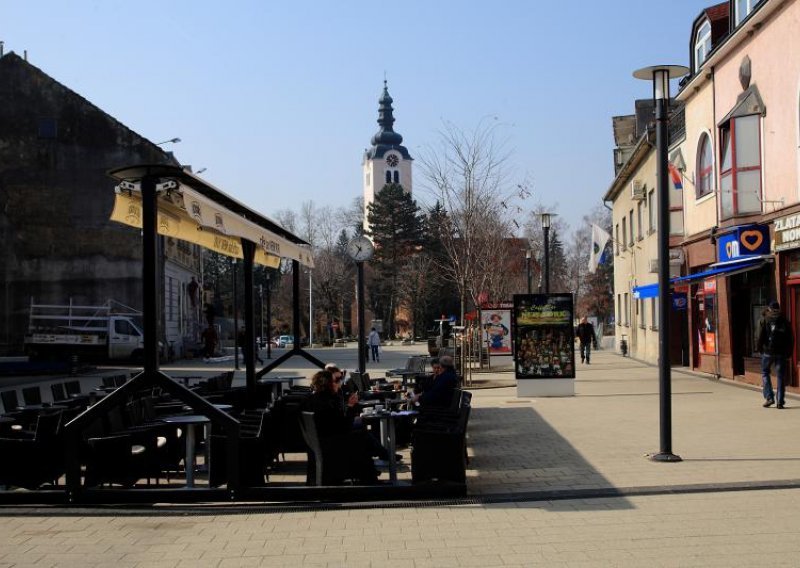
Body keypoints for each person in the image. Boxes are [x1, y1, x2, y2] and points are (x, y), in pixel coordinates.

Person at [302, 370, 380, 484]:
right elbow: (344, 427)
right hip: (333, 448)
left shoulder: (312, 399)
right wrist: (351, 407)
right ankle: (371, 477)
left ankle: (374, 469)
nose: (339, 383)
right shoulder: (328, 402)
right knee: (362, 438)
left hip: (320, 445)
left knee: (362, 436)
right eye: (336, 380)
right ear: (328, 383)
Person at [756, 301, 793, 409]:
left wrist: (759, 349)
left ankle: (769, 397)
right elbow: (790, 338)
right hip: (781, 353)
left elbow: (759, 336)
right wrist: (789, 352)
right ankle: (780, 402)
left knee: (765, 372)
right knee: (780, 376)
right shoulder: (784, 321)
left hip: (767, 352)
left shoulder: (764, 319)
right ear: (779, 309)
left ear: (769, 309)